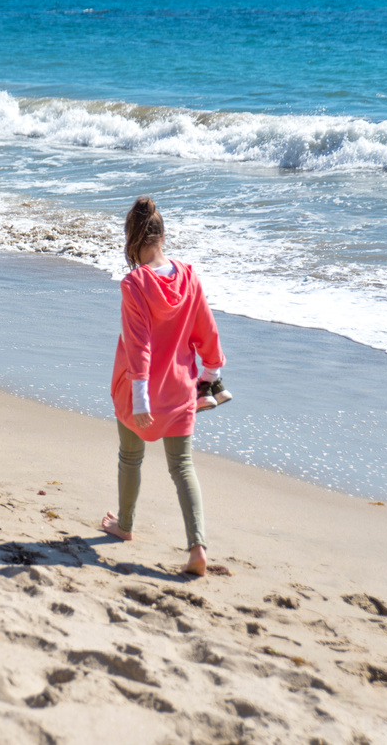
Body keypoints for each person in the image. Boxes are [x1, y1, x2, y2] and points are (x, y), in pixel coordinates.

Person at [104, 196, 227, 576]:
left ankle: (124, 525)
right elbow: (207, 329)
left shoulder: (135, 284)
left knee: (130, 457)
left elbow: (138, 343)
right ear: (161, 235)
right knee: (183, 466)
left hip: (137, 390)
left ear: (131, 239)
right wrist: (210, 373)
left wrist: (141, 398)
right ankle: (198, 549)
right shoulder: (188, 277)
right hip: (179, 389)